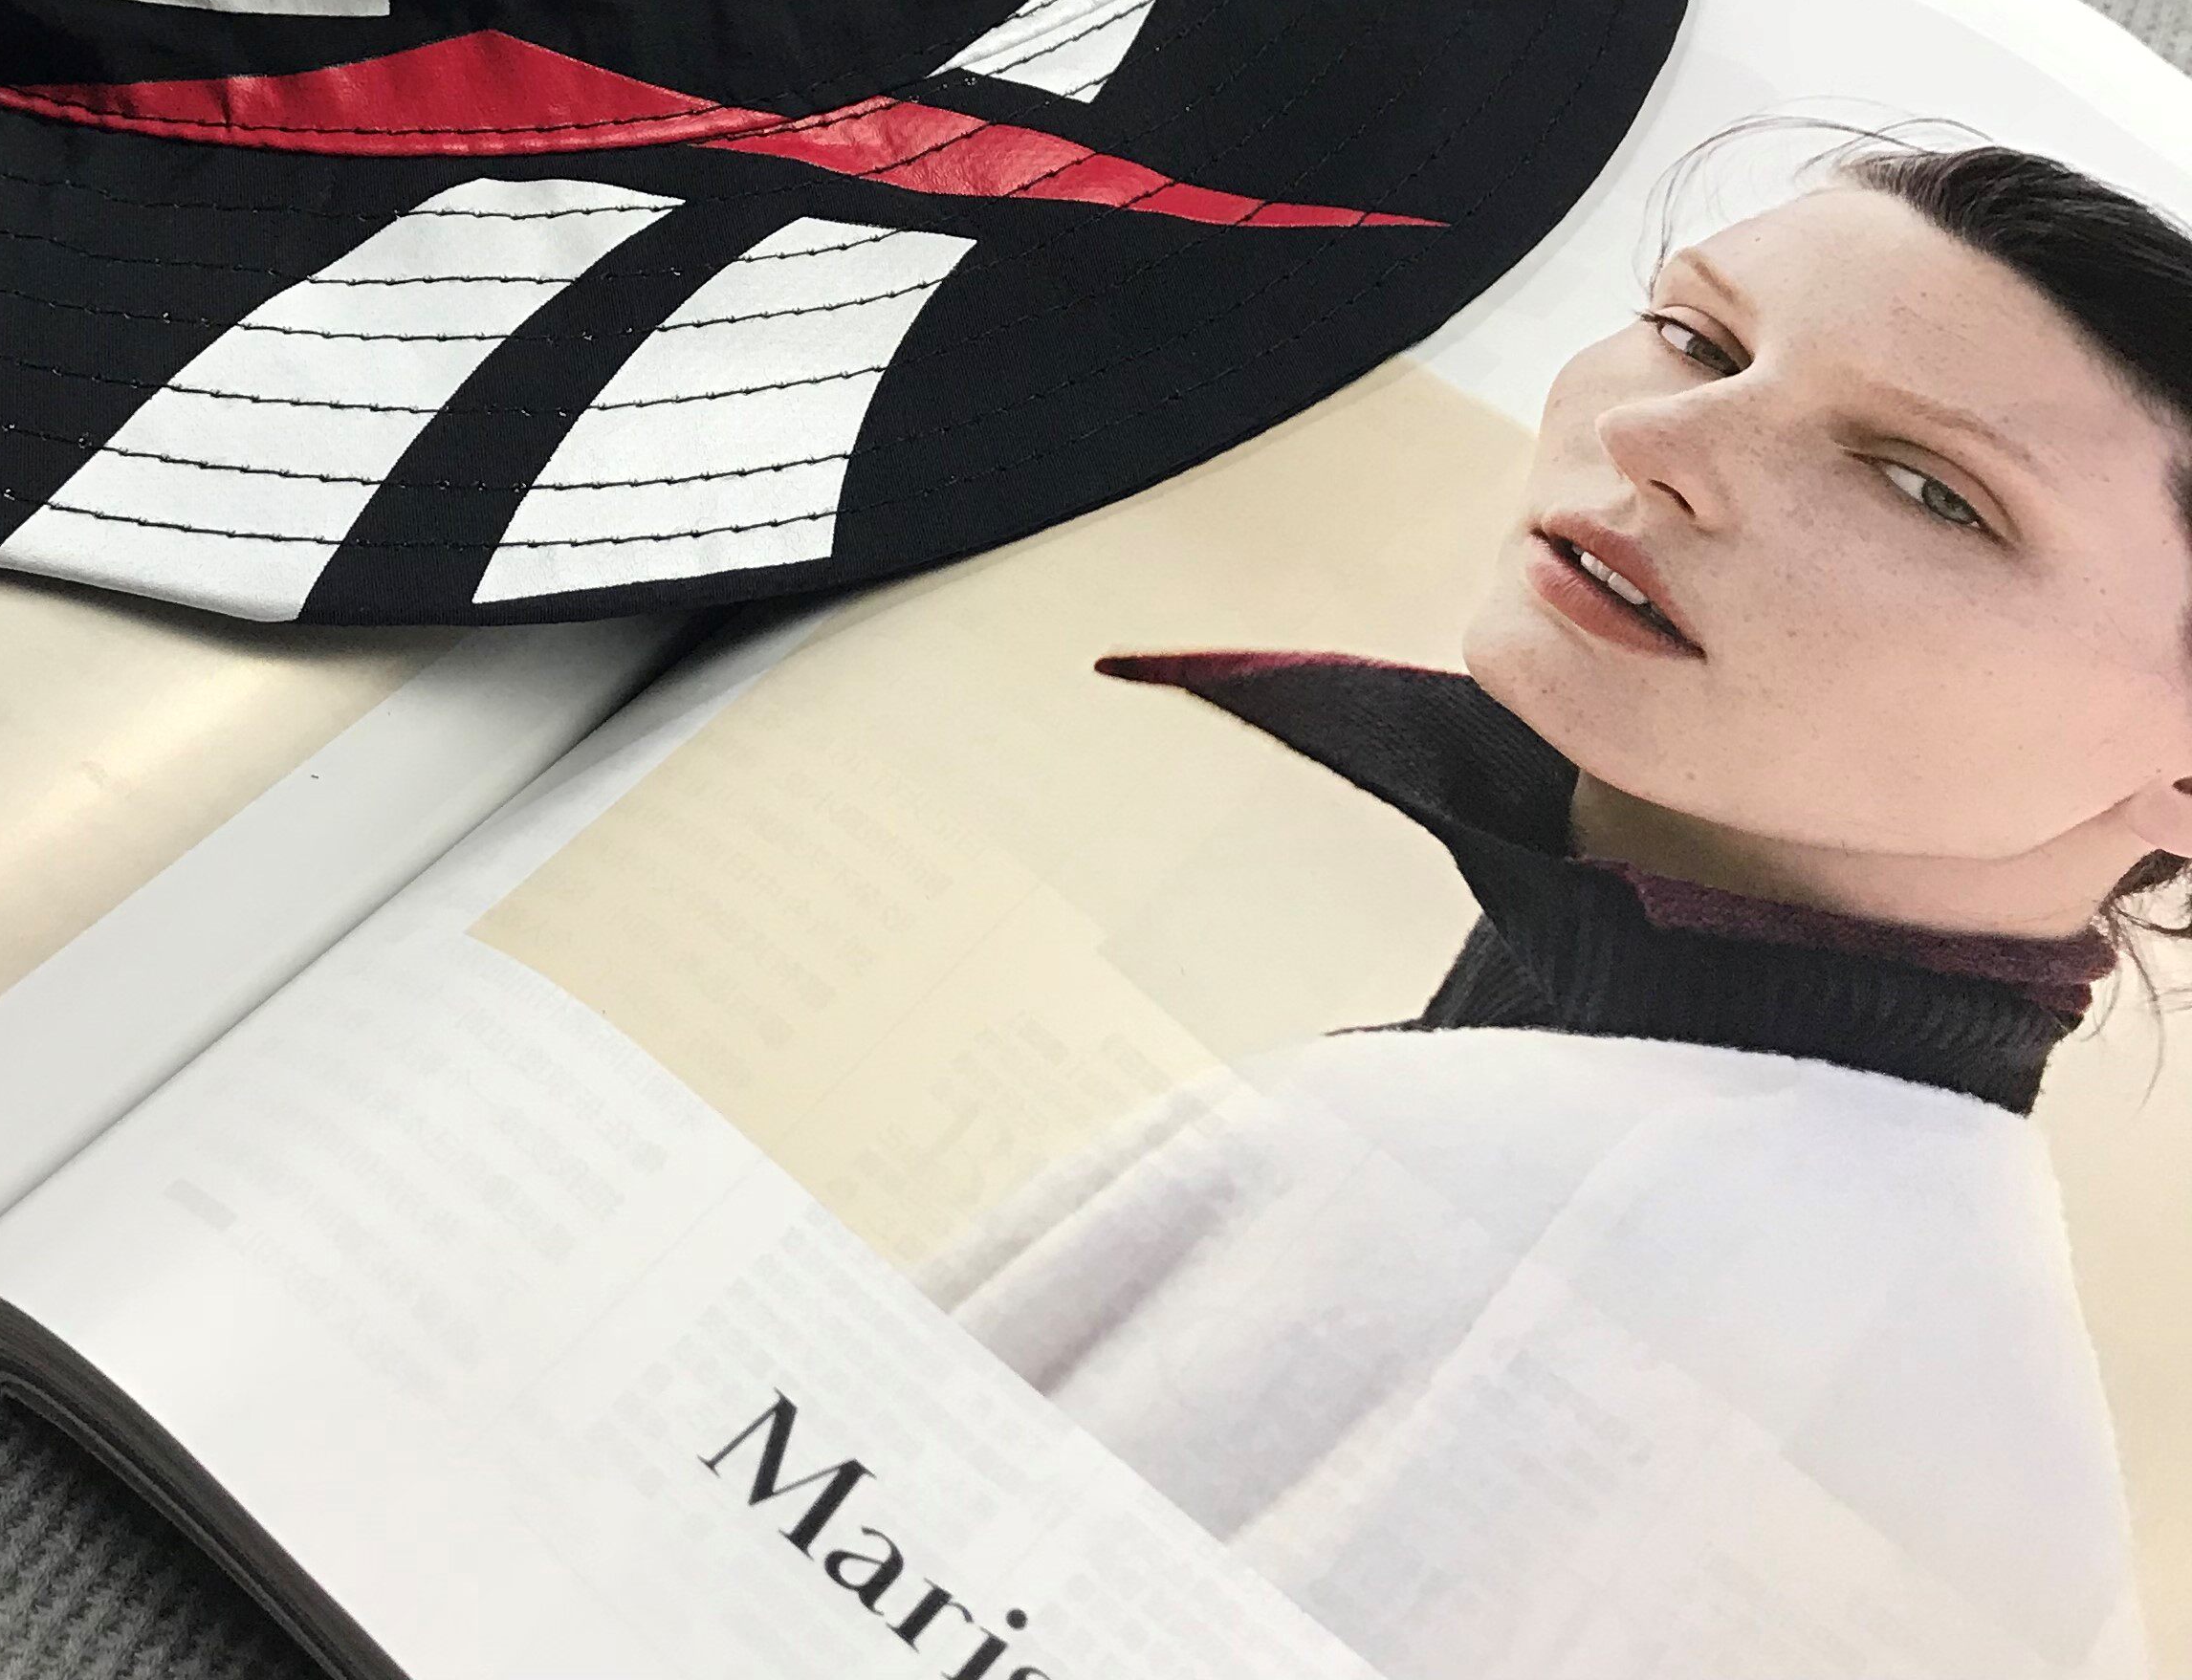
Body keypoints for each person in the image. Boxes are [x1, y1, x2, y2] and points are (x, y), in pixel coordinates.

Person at [920, 142, 2190, 1669]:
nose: (1658, 438)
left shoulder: (1570, 1238)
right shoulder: (1890, 1300)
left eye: (1930, 489)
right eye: (1697, 338)